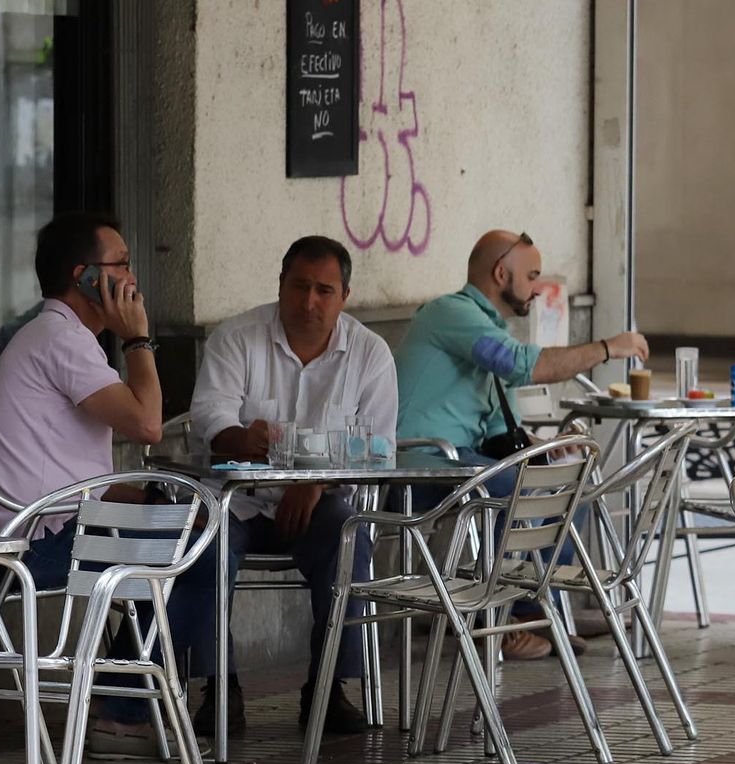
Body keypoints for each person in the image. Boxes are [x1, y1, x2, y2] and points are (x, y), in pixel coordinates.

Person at [0, 212, 202, 758]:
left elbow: (74, 478)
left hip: (23, 535)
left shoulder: (55, 336)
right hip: (30, 549)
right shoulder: (62, 340)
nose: (132, 278)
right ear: (86, 278)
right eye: (121, 265)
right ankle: (124, 714)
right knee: (191, 551)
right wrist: (139, 338)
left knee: (178, 524)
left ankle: (135, 701)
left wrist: (145, 497)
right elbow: (146, 422)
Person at [179, 235, 398, 737]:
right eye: (299, 287)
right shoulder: (238, 337)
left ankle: (328, 688)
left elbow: (380, 448)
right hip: (238, 503)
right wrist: (243, 438)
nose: (309, 302)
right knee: (204, 541)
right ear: (280, 285)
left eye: (324, 290)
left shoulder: (369, 353)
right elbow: (210, 414)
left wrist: (314, 480)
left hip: (319, 507)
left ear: (345, 296)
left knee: (349, 536)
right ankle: (219, 688)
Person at [393, 230, 647, 659]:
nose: (535, 287)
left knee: (568, 486)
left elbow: (498, 430)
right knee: (512, 487)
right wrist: (607, 348)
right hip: (419, 460)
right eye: (531, 276)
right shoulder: (450, 313)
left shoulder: (488, 329)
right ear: (499, 273)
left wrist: (541, 448)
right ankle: (488, 617)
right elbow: (520, 365)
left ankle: (534, 610)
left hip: (464, 462)